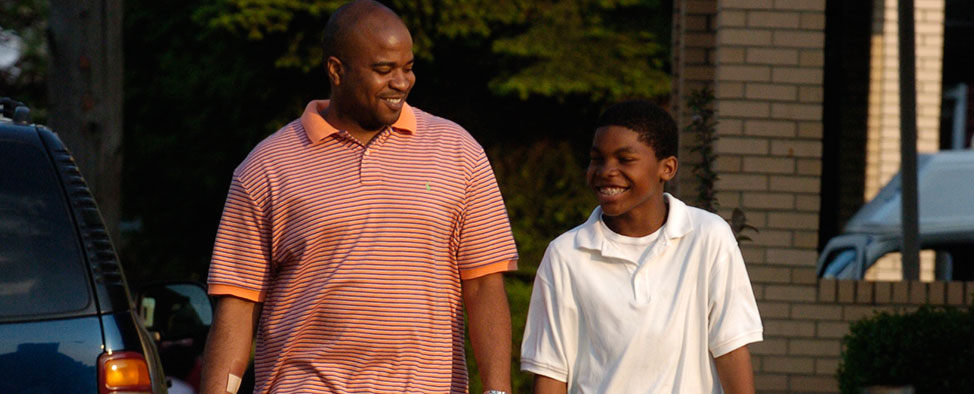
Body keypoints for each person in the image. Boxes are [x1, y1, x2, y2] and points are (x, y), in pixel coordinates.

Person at [199, 1, 518, 393]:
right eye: (384, 70)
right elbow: (238, 303)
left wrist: (498, 390)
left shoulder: (456, 151)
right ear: (336, 70)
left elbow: (484, 284)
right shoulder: (267, 166)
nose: (401, 82)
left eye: (409, 67)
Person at [520, 100, 763, 394]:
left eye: (625, 159)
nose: (607, 170)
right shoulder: (566, 254)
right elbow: (551, 372)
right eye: (597, 158)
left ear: (667, 168)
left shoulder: (708, 237)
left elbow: (732, 350)